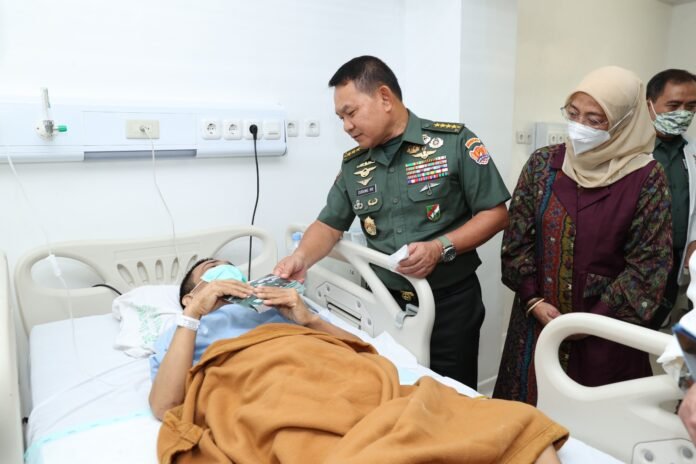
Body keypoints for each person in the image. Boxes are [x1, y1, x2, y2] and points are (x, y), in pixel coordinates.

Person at [273, 55, 510, 389]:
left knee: (452, 399)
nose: (346, 126)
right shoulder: (355, 165)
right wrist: (301, 258)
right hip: (383, 305)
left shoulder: (453, 144)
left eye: (351, 113)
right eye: (341, 118)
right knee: (389, 390)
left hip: (449, 305)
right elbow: (328, 225)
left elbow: (495, 214)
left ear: (384, 97)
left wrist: (439, 248)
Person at [494, 66, 673, 405]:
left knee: (592, 424)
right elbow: (517, 241)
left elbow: (648, 265)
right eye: (573, 114)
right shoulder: (543, 165)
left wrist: (593, 321)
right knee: (525, 416)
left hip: (606, 333)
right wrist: (534, 300)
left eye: (595, 120)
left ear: (623, 123)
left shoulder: (647, 178)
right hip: (536, 324)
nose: (579, 126)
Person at [148, 258, 359, 420]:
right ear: (189, 298)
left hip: (320, 378)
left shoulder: (282, 306)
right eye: (213, 268)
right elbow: (164, 406)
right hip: (263, 394)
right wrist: (193, 314)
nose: (226, 268)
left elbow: (361, 352)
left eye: (230, 266)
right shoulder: (182, 332)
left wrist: (310, 320)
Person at [646, 69, 696, 329]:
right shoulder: (633, 152)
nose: (683, 113)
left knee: (661, 324)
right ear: (650, 105)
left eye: (691, 106)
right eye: (674, 105)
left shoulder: (692, 151)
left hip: (677, 258)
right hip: (637, 261)